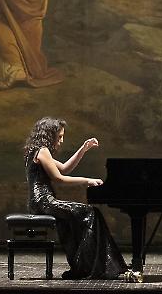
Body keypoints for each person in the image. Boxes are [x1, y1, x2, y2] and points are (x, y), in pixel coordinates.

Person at [23, 117, 132, 280]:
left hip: (41, 201)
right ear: (49, 135)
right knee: (90, 213)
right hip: (44, 201)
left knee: (79, 219)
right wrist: (87, 181)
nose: (61, 140)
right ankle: (96, 265)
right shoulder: (43, 151)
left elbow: (65, 168)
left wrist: (83, 148)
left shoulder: (38, 151)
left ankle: (86, 265)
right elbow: (59, 178)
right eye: (59, 136)